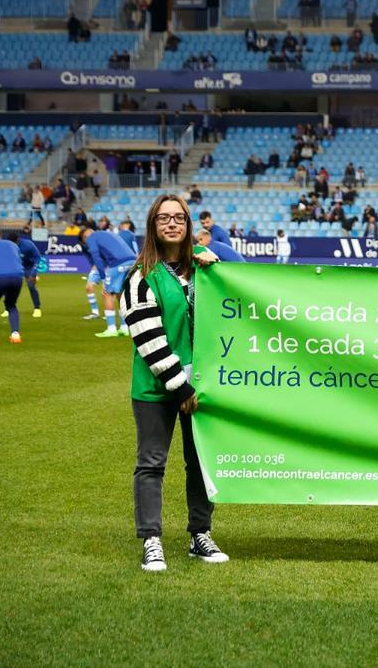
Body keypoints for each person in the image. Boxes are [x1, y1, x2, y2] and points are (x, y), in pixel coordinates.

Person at [122, 194, 227, 572]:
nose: (171, 223)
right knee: (152, 462)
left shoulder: (204, 271)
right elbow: (148, 338)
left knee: (199, 462)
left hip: (201, 385)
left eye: (179, 217)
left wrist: (219, 261)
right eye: (163, 218)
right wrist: (179, 387)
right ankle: (151, 539)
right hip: (157, 387)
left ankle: (200, 533)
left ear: (187, 224)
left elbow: (244, 287)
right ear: (152, 225)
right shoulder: (139, 278)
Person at [80, 224, 139, 337]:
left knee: (107, 293)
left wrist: (103, 278)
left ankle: (111, 329)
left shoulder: (91, 238)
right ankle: (124, 327)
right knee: (121, 295)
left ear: (85, 237)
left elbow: (96, 257)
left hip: (118, 263)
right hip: (132, 261)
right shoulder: (108, 233)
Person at [13, 230, 43, 318]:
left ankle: (37, 308)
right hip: (16, 267)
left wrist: (33, 273)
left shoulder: (28, 245)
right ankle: (9, 308)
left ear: (18, 240)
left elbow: (37, 257)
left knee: (31, 286)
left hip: (28, 267)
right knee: (10, 287)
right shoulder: (8, 246)